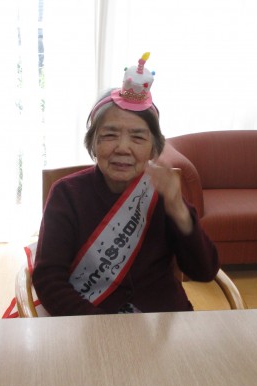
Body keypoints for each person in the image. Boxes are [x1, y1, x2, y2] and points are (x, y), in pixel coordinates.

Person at [31, 53, 219, 316]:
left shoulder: (163, 193)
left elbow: (204, 271)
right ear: (93, 143)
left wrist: (178, 210)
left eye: (138, 137)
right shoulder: (67, 194)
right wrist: (104, 327)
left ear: (154, 148)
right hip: (89, 320)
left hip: (162, 321)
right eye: (109, 135)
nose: (122, 148)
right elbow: (49, 280)